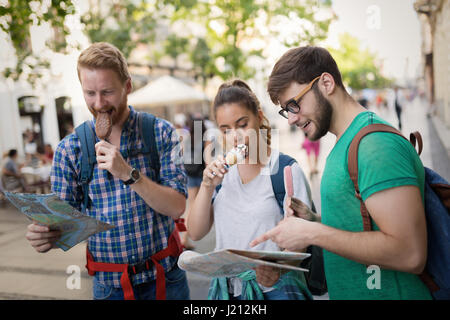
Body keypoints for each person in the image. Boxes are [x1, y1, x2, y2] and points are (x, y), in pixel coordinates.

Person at [251, 46, 431, 300]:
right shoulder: (346, 140)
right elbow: (363, 226)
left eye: (294, 104)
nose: (291, 119)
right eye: (286, 110)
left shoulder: (374, 144)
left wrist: (312, 233)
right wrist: (315, 221)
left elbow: (410, 253)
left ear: (326, 83)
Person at [25, 42, 190, 300]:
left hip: (166, 280)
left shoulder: (160, 132)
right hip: (110, 287)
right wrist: (46, 236)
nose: (99, 103)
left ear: (127, 86)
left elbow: (177, 207)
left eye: (107, 92)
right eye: (90, 93)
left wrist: (128, 173)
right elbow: (65, 223)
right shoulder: (70, 149)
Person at [186, 79, 313, 300]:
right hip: (228, 292)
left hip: (276, 291)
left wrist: (279, 267)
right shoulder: (221, 175)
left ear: (259, 117)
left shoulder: (285, 170)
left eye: (242, 125)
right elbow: (196, 233)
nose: (235, 137)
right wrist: (206, 187)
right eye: (226, 130)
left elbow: (305, 241)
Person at [181, 114, 212, 249]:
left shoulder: (187, 138)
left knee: (191, 206)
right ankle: (185, 237)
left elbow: (181, 156)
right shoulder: (206, 139)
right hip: (200, 176)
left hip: (189, 175)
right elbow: (208, 160)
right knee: (198, 206)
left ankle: (184, 238)